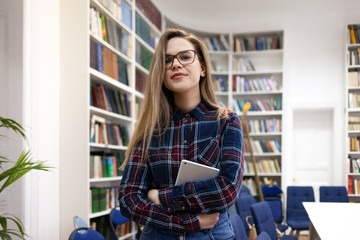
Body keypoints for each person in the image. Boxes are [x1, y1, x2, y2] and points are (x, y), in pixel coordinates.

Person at [118, 28, 244, 240]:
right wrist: (189, 222)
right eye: (167, 61)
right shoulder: (149, 131)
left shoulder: (227, 122)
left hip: (212, 235)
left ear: (202, 68)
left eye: (185, 57)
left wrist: (160, 196)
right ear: (161, 73)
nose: (175, 64)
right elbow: (128, 200)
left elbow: (227, 189)